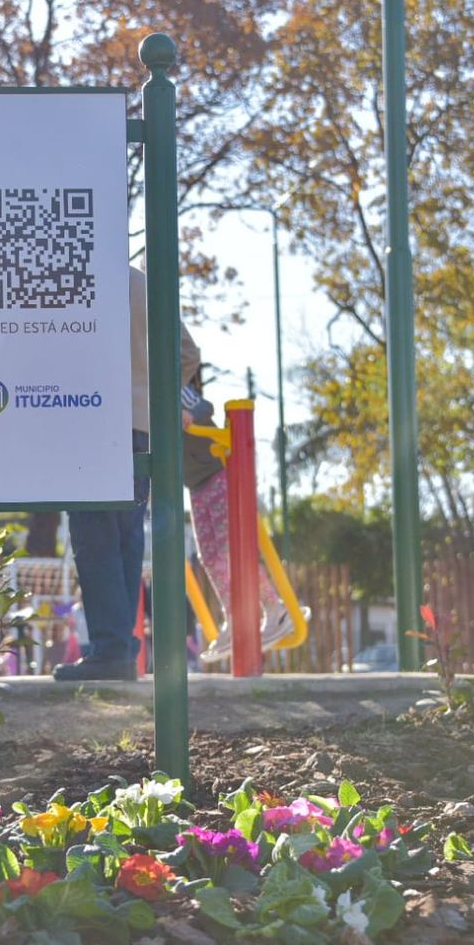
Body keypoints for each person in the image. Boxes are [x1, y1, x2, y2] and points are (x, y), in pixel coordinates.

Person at [56, 266, 196, 682]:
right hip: (140, 425)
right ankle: (119, 648)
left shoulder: (75, 278)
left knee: (94, 539)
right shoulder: (144, 284)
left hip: (88, 418)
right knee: (126, 538)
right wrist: (155, 394)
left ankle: (112, 650)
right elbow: (189, 353)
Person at [181, 384, 294, 664]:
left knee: (230, 550)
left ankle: (274, 608)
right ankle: (234, 616)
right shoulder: (138, 402)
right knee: (209, 556)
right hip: (194, 486)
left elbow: (204, 406)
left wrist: (188, 414)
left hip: (219, 473)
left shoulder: (170, 387)